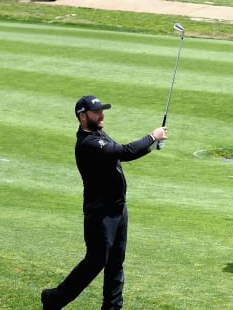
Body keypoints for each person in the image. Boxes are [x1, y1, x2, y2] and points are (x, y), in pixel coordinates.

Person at [41, 95, 168, 310]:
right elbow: (123, 152)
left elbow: (118, 155)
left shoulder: (98, 133)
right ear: (82, 116)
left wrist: (149, 147)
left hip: (117, 209)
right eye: (96, 112)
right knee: (95, 262)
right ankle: (54, 298)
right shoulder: (88, 143)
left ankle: (112, 307)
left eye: (102, 110)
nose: (101, 115)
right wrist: (152, 136)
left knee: (116, 261)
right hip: (101, 214)